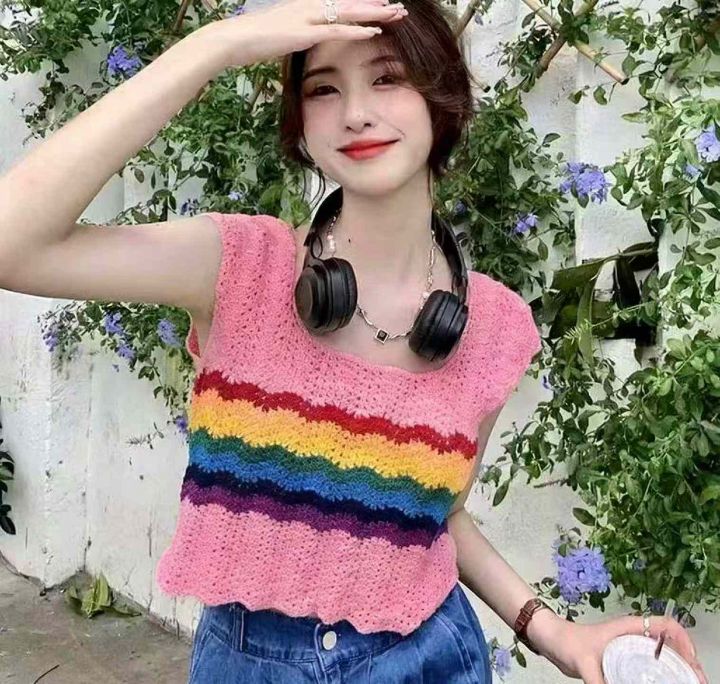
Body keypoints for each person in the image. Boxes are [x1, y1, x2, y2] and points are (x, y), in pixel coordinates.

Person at [0, 0, 708, 683]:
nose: (356, 113)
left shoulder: (490, 326)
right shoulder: (238, 267)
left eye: (387, 77)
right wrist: (214, 46)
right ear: (300, 124)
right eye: (323, 88)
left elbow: (436, 513)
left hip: (433, 659)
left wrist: (552, 631)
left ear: (442, 97)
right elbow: (14, 243)